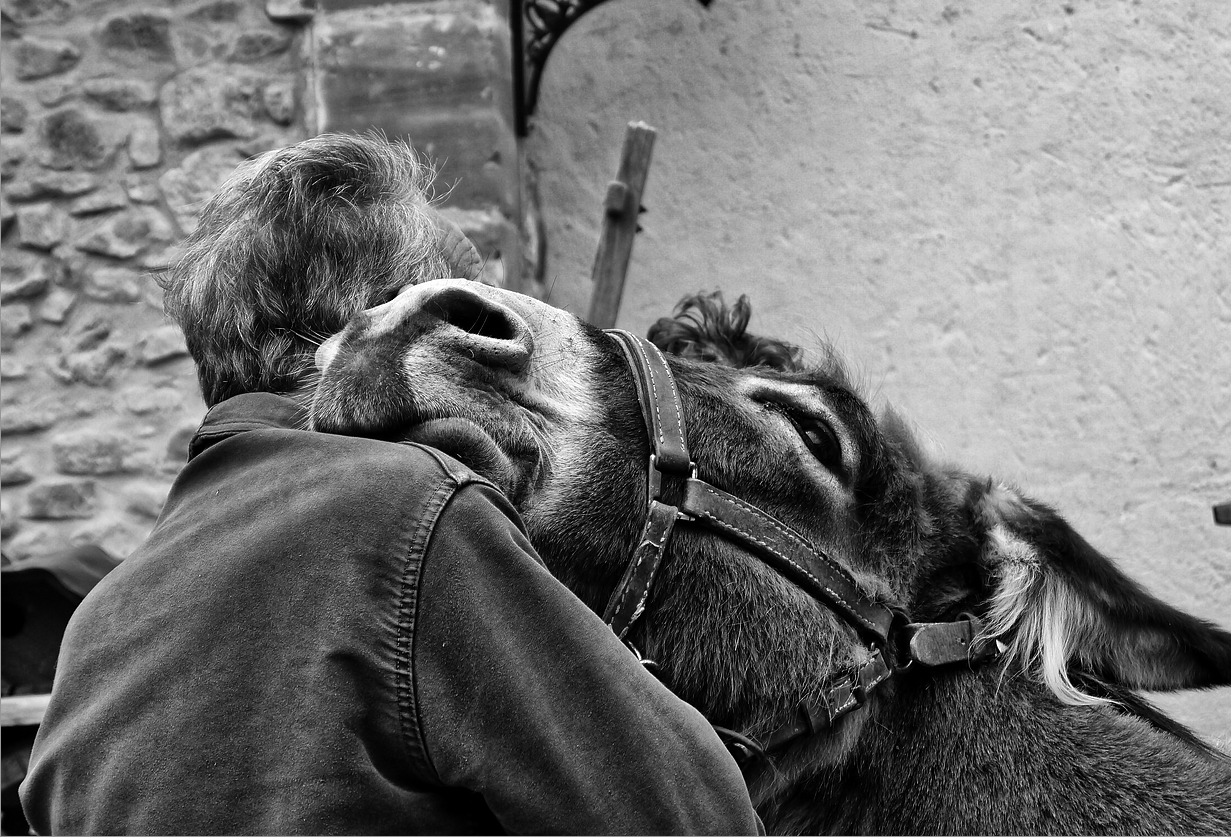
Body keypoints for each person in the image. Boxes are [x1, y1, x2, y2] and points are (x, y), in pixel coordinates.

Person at [20, 133, 762, 835]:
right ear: (405, 329)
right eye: (473, 312)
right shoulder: (409, 512)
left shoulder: (96, 622)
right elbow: (695, 817)